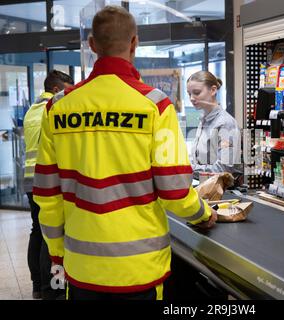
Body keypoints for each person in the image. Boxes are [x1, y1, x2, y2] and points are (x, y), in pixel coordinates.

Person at [33, 5, 217, 301]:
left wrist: (57, 253)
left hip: (82, 268)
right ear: (135, 43)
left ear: (92, 45)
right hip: (140, 269)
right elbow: (174, 190)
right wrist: (203, 214)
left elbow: (47, 195)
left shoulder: (57, 108)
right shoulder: (156, 106)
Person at [23, 70, 74, 300]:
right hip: (46, 180)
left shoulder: (31, 110)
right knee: (51, 237)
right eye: (66, 88)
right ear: (56, 89)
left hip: (28, 180)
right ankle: (51, 290)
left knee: (37, 231)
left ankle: (38, 286)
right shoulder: (51, 108)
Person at [187, 71, 242, 180]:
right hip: (205, 188)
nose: (192, 98)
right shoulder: (203, 120)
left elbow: (223, 169)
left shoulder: (226, 123)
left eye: (196, 92)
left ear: (213, 90)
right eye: (189, 94)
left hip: (223, 193)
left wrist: (188, 169)